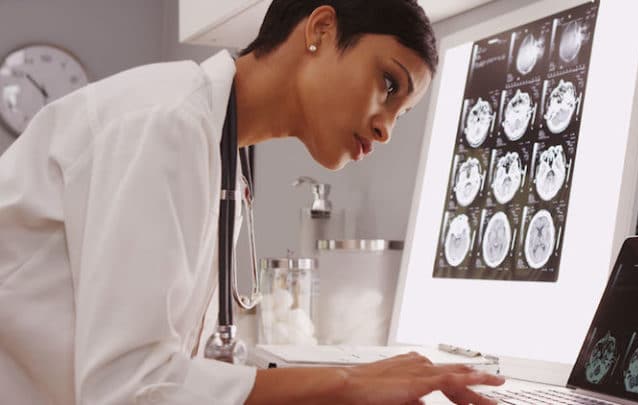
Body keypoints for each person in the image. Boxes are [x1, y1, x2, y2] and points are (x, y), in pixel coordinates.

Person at [0, 0, 505, 404]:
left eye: (402, 113)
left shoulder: (221, 152)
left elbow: (178, 370)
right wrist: (350, 383)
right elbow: (129, 389)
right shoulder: (163, 122)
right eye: (389, 84)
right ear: (322, 28)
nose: (386, 128)